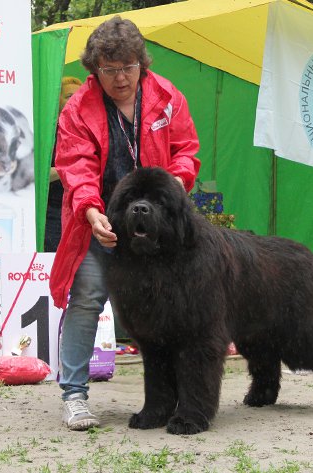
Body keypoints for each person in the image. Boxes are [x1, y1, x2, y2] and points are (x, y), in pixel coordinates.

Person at [48, 16, 201, 430]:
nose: (120, 78)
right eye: (110, 69)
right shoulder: (78, 109)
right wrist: (91, 211)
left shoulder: (168, 97)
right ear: (94, 70)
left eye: (128, 67)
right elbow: (75, 166)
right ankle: (75, 395)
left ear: (142, 64)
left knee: (170, 308)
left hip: (159, 230)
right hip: (103, 222)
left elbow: (187, 149)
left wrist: (177, 180)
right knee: (87, 296)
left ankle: (170, 399)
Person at [45, 76, 83, 252]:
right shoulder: (46, 135)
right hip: (52, 212)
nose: (75, 101)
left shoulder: (86, 133)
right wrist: (68, 170)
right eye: (69, 96)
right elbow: (37, 175)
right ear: (57, 101)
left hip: (79, 212)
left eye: (78, 97)